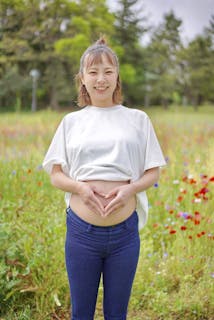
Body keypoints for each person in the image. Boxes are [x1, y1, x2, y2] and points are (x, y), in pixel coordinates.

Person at [43, 37, 166, 320]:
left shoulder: (138, 119)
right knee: (82, 313)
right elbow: (56, 175)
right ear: (82, 79)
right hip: (81, 233)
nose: (101, 79)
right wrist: (81, 189)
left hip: (124, 234)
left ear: (117, 77)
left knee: (116, 314)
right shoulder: (71, 123)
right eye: (93, 72)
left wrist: (130, 190)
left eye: (108, 72)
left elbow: (153, 172)